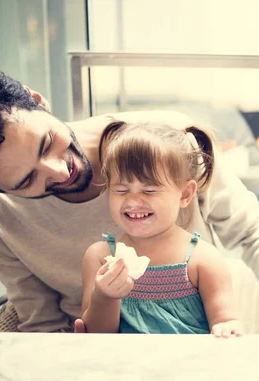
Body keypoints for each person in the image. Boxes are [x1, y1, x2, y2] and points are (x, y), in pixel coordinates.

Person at [0, 71, 259, 332]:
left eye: (46, 144)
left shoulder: (162, 140)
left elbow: (252, 232)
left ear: (38, 101)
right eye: (27, 181)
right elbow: (38, 320)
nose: (59, 171)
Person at [82, 121, 242, 336]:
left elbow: (227, 320)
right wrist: (105, 296)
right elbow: (95, 336)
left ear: (185, 194)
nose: (133, 200)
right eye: (121, 189)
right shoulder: (100, 257)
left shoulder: (202, 259)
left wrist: (227, 327)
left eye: (149, 190)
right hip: (123, 367)